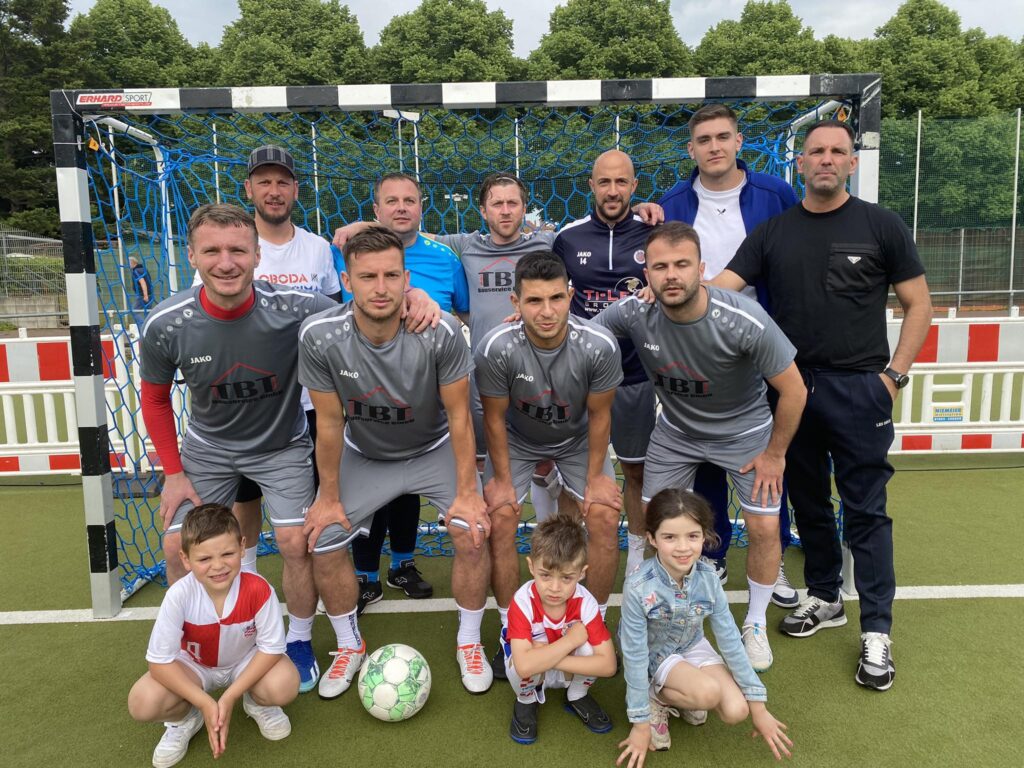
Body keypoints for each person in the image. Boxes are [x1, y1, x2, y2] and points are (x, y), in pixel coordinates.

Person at [717, 120, 933, 691]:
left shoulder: (881, 225)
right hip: (791, 389)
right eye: (817, 151)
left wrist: (893, 377)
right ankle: (824, 595)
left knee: (865, 510)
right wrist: (663, 287)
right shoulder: (774, 232)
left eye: (838, 151)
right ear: (801, 162)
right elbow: (719, 288)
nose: (827, 159)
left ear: (852, 163)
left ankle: (877, 631)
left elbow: (919, 304)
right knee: (807, 499)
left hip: (861, 388)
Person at [140, 203, 350, 700]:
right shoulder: (167, 323)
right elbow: (154, 398)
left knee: (297, 542)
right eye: (212, 251)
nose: (226, 262)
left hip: (281, 446)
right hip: (208, 450)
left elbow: (361, 309)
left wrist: (414, 297)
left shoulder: (295, 308)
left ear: (258, 256)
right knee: (176, 546)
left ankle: (297, 640)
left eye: (238, 250)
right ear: (192, 256)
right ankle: (192, 651)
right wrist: (174, 473)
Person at [593, 222, 807, 672]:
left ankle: (754, 623)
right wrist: (532, 326)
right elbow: (583, 337)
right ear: (647, 275)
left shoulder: (744, 318)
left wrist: (774, 454)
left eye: (682, 264)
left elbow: (794, 390)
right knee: (657, 522)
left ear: (701, 269)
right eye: (660, 267)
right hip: (676, 432)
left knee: (764, 528)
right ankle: (656, 609)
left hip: (745, 434)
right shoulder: (635, 312)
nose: (671, 275)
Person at [299, 226, 494, 694]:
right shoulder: (320, 335)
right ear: (347, 281)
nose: (380, 287)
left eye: (391, 275)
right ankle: (349, 645)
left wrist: (468, 492)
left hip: (433, 449)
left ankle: (469, 641)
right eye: (368, 277)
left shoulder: (442, 331)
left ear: (407, 279)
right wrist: (328, 497)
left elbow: (460, 417)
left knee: (472, 531)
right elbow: (329, 423)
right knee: (323, 538)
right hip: (366, 454)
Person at [659, 104, 800, 604]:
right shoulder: (673, 202)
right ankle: (713, 557)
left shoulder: (776, 194)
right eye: (704, 140)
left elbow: (791, 257)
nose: (714, 147)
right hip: (696, 350)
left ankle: (774, 560)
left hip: (760, 347)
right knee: (703, 460)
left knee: (766, 457)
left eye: (723, 137)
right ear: (691, 149)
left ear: (739, 142)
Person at [475, 251, 623, 678]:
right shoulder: (496, 348)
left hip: (577, 439)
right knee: (501, 516)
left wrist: (595, 479)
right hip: (518, 440)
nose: (546, 311)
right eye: (534, 301)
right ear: (515, 302)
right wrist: (503, 481)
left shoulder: (598, 345)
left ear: (570, 296)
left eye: (556, 298)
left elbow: (600, 415)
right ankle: (511, 630)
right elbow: (494, 419)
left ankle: (592, 627)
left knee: (604, 515)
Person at [333, 172, 469, 615]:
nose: (401, 208)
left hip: (426, 393)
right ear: (375, 210)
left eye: (409, 200)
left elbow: (463, 312)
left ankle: (402, 564)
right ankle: (366, 574)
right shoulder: (348, 249)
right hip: (366, 388)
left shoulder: (445, 257)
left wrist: (428, 303)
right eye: (391, 201)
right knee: (371, 484)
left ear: (422, 206)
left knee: (409, 483)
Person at [224, 144, 341, 589]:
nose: (273, 191)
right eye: (264, 182)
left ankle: (316, 576)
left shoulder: (317, 249)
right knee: (246, 497)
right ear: (249, 188)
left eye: (282, 182)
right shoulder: (232, 248)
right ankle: (247, 578)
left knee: (312, 495)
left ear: (295, 189)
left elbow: (332, 319)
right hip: (250, 400)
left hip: (310, 399)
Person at [617, 489, 793, 768]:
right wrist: (639, 725)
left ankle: (687, 693)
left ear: (704, 536)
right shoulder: (638, 586)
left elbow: (730, 640)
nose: (683, 547)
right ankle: (655, 699)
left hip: (691, 643)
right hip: (654, 652)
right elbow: (635, 655)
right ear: (652, 538)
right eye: (669, 537)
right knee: (707, 693)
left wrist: (758, 707)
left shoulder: (708, 578)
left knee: (737, 710)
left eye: (692, 536)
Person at [552, 149, 659, 577]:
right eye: (604, 182)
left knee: (636, 470)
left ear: (634, 186)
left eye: (621, 182)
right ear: (591, 185)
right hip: (579, 378)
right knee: (572, 473)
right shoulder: (568, 238)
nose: (612, 191)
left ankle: (637, 560)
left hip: (635, 376)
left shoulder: (655, 233)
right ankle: (565, 560)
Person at [128, 504, 299, 768]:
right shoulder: (179, 595)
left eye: (227, 553)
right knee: (143, 702)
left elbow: (271, 649)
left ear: (242, 547)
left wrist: (230, 696)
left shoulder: (259, 589)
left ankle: (257, 702)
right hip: (194, 667)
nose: (218, 566)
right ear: (186, 559)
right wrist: (205, 703)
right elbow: (159, 663)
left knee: (284, 684)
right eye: (204, 559)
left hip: (244, 662)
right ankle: (185, 719)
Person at [505, 515, 617, 744]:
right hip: (533, 672)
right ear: (531, 567)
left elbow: (608, 665)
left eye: (566, 578)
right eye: (545, 575)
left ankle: (576, 695)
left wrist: (547, 657)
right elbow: (524, 666)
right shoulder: (522, 601)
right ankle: (526, 700)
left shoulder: (586, 603)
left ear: (582, 573)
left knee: (589, 648)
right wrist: (569, 642)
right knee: (518, 663)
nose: (555, 588)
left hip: (554, 663)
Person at [129, 256, 154, 321]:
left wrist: (145, 295)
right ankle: (149, 326)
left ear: (132, 263)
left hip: (142, 295)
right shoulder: (144, 269)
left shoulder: (136, 271)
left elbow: (143, 282)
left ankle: (142, 325)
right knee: (148, 313)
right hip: (150, 294)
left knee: (134, 311)